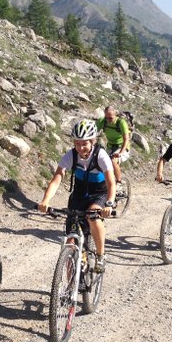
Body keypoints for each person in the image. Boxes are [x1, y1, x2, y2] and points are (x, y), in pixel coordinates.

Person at [38, 119, 116, 272]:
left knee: (92, 216)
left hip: (99, 193)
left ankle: (100, 255)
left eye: (84, 143)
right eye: (77, 143)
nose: (80, 147)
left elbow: (111, 183)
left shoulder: (101, 155)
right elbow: (56, 179)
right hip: (79, 194)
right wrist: (45, 200)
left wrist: (109, 204)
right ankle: (68, 285)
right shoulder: (71, 155)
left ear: (92, 141)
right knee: (70, 242)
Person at [95, 105, 130, 183]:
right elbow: (93, 132)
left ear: (115, 114)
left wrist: (121, 153)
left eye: (110, 118)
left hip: (122, 147)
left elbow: (126, 139)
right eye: (106, 118)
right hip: (110, 146)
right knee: (101, 163)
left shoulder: (121, 123)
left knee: (113, 161)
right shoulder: (102, 121)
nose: (108, 120)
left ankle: (119, 182)